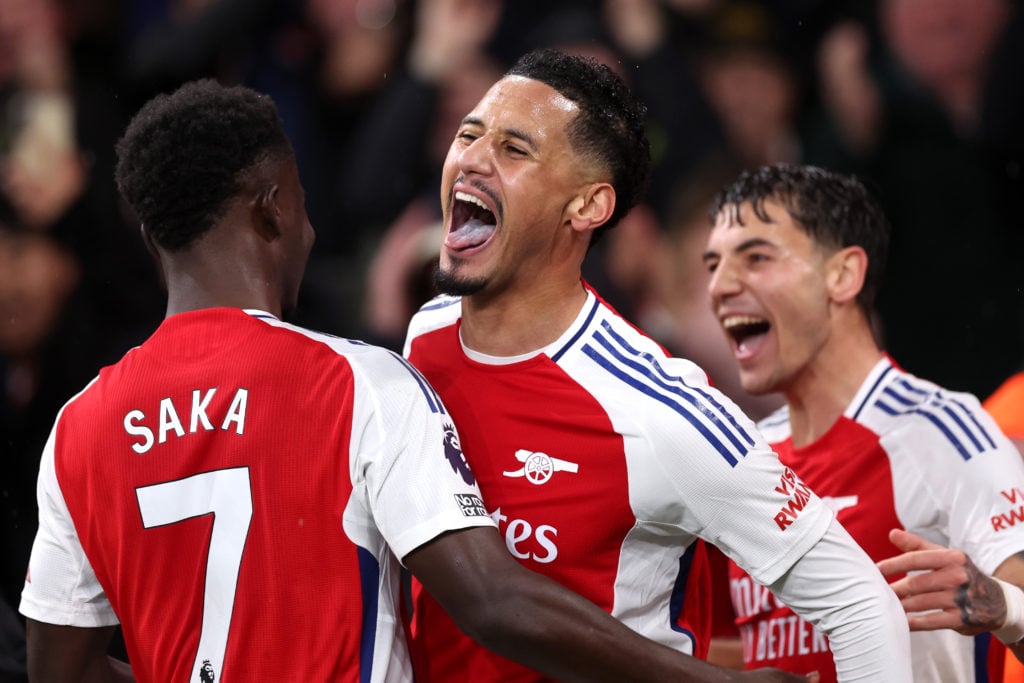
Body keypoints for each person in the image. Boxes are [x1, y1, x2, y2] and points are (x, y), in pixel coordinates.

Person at [16, 79, 815, 683]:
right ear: (270, 211)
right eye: (300, 201)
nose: (313, 226)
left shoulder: (80, 426)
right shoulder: (360, 385)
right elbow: (495, 601)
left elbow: (63, 668)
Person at [402, 47, 912, 683]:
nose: (472, 159)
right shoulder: (428, 332)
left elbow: (863, 605)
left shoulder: (662, 412)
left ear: (587, 206)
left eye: (514, 149)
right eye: (469, 134)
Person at [700, 162, 1024, 682]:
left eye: (755, 257)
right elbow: (753, 646)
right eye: (712, 265)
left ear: (844, 274)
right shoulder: (743, 456)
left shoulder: (939, 430)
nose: (719, 286)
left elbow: (1014, 603)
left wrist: (1004, 605)